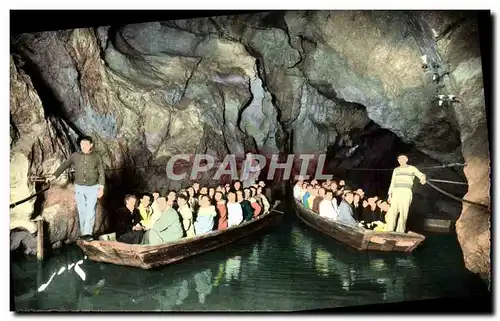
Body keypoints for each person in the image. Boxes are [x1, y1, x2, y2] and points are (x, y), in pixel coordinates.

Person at [49, 135, 105, 241]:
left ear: (91, 145)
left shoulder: (96, 156)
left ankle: (88, 233)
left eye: (86, 144)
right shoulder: (75, 155)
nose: (83, 146)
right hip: (79, 188)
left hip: (93, 187)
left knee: (90, 211)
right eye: (82, 144)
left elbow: (101, 172)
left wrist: (101, 188)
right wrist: (54, 175)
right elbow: (65, 164)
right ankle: (84, 234)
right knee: (82, 210)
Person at [385, 154, 426, 233]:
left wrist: (423, 178)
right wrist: (390, 195)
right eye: (399, 159)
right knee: (392, 211)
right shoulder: (396, 170)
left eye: (402, 159)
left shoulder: (412, 168)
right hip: (396, 191)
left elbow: (420, 174)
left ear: (406, 160)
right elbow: (392, 182)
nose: (400, 161)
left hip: (406, 191)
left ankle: (400, 231)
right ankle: (389, 230)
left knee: (404, 212)